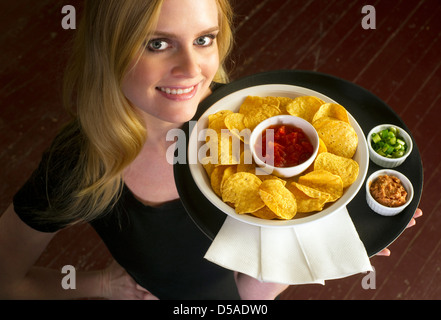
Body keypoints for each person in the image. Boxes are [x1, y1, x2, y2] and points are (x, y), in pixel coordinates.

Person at [0, 0, 422, 300]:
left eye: (204, 39)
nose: (191, 70)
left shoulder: (251, 122)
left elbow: (249, 290)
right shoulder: (75, 166)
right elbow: (6, 280)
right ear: (104, 50)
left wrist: (317, 249)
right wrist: (99, 285)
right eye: (157, 43)